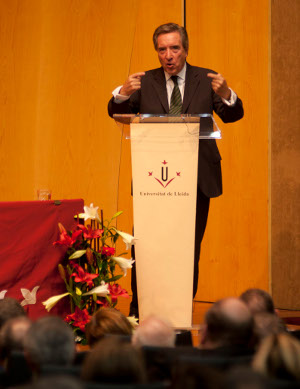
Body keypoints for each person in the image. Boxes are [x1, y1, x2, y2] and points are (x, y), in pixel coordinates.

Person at [108, 23, 244, 317]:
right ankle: (139, 312)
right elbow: (116, 111)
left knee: (187, 250)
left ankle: (180, 312)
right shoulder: (145, 82)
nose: (168, 55)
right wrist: (121, 93)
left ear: (185, 48)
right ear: (157, 51)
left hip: (196, 179)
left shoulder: (205, 79)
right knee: (146, 250)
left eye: (174, 48)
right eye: (162, 49)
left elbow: (233, 114)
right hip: (153, 179)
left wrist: (227, 93)